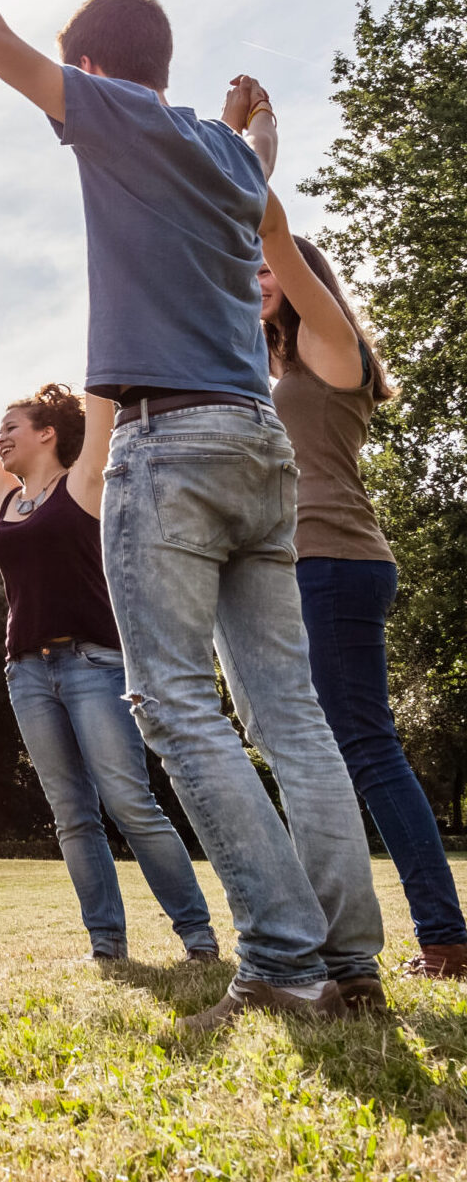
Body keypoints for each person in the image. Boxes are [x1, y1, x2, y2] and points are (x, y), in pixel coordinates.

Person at [0, 0, 383, 1027]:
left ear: (88, 71)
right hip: (256, 444)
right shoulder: (229, 158)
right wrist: (252, 129)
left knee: (174, 704)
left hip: (168, 443)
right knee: (289, 712)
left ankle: (282, 958)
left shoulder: (113, 118)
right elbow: (256, 191)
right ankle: (349, 962)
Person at [0, 346, 219, 963]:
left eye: (13, 426)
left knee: (129, 803)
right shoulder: (7, 501)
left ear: (47, 433)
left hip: (93, 664)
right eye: (2, 428)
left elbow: (103, 406)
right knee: (71, 814)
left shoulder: (86, 483)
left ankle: (197, 936)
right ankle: (107, 943)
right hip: (26, 673)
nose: (1, 436)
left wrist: (112, 320)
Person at [256, 154, 467, 979]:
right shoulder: (275, 366)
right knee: (327, 749)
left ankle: (447, 937)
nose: (261, 275)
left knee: (368, 748)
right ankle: (336, 917)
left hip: (338, 565)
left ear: (308, 277)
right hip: (307, 570)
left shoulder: (334, 351)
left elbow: (273, 235)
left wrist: (249, 151)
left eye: (275, 268)